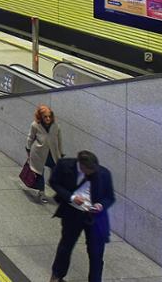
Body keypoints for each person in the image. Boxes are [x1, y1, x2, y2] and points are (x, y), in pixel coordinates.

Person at [49, 150, 114, 282]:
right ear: (82, 167)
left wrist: (101, 205)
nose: (93, 173)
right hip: (73, 214)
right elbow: (54, 182)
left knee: (96, 253)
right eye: (89, 170)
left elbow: (110, 197)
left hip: (95, 218)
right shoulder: (64, 166)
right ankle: (57, 275)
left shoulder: (103, 174)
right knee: (66, 246)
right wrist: (71, 197)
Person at [27, 105, 64, 203]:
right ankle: (41, 192)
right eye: (45, 117)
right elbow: (30, 138)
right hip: (39, 153)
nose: (48, 119)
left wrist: (61, 153)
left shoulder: (56, 126)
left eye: (49, 116)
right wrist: (28, 148)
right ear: (40, 117)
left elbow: (59, 140)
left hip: (53, 153)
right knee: (39, 173)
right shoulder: (35, 125)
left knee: (56, 173)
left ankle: (56, 190)